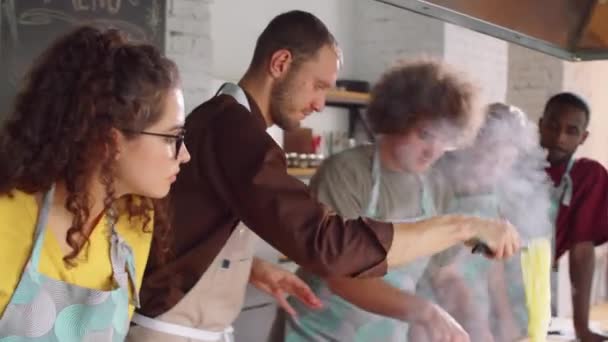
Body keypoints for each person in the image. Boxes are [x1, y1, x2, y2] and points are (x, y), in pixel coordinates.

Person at [128, 11, 520, 342]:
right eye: (317, 86)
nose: (319, 103)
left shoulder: (226, 122)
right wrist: (462, 226)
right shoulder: (235, 130)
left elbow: (184, 226)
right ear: (280, 64)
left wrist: (249, 267)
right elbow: (328, 248)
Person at [269, 59, 483, 342]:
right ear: (397, 119)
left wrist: (477, 323)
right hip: (315, 332)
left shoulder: (437, 187)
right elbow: (340, 275)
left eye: (445, 139)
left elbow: (444, 274)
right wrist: (425, 312)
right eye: (425, 135)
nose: (433, 151)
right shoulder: (347, 172)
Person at [0, 26, 190, 341]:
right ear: (110, 142)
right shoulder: (7, 216)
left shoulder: (135, 222)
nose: (185, 155)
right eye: (173, 137)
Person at [413, 103, 553, 342]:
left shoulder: (489, 194)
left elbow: (493, 266)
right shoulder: (438, 183)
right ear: (473, 143)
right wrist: (478, 327)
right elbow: (443, 275)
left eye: (506, 160)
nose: (497, 168)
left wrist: (507, 322)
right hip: (434, 312)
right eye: (493, 155)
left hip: (474, 311)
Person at [539, 93, 608, 342]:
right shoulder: (512, 165)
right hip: (483, 280)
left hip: (536, 281)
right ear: (540, 124)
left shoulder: (588, 176)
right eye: (553, 126)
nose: (560, 138)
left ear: (583, 137)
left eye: (571, 130)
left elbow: (581, 252)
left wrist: (582, 327)